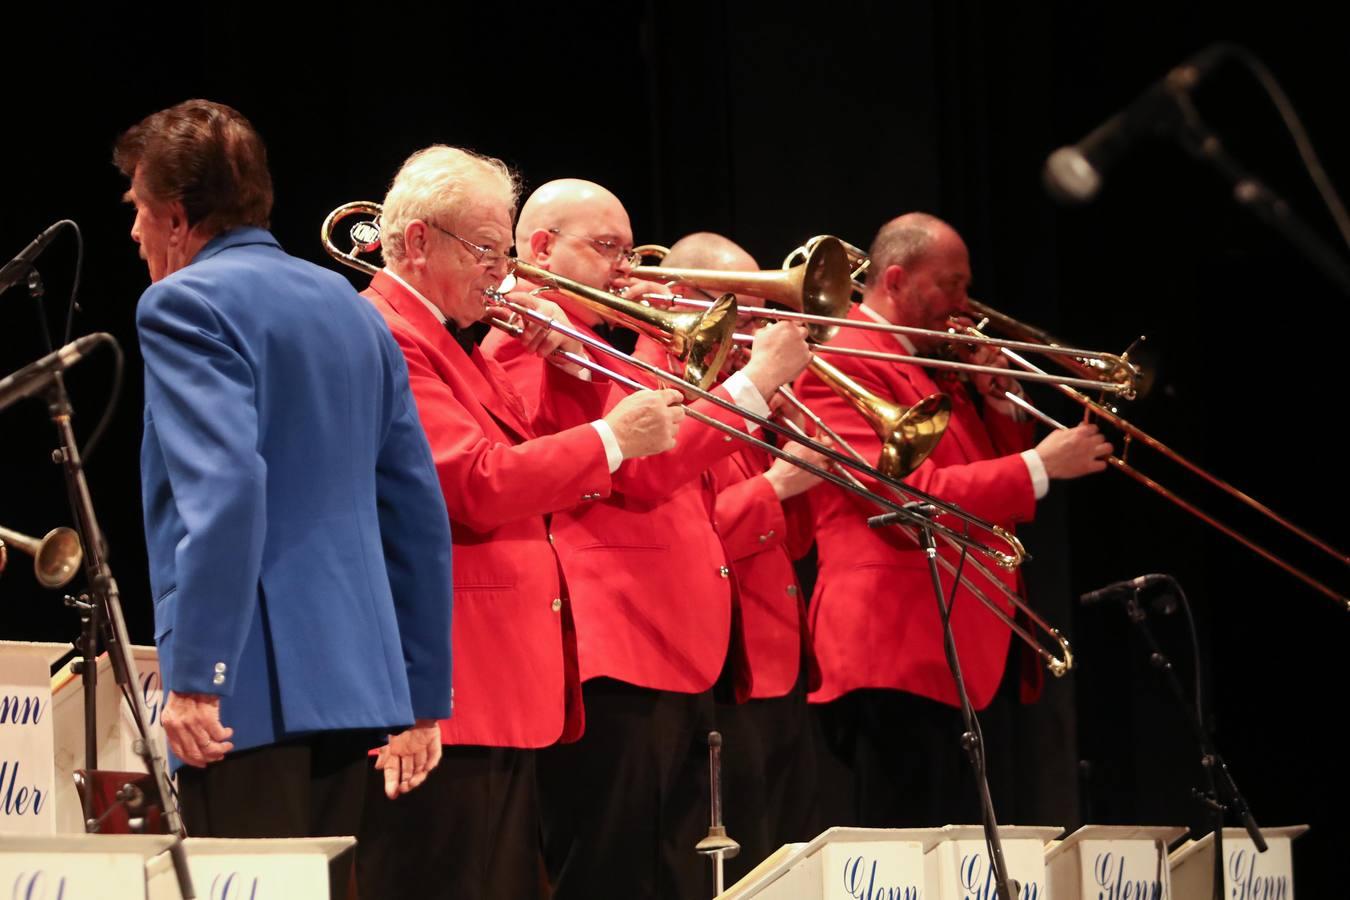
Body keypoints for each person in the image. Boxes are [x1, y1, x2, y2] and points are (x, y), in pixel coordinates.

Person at [119, 100, 453, 857]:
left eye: (138, 209)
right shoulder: (353, 306)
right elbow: (414, 506)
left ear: (177, 216)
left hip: (242, 689)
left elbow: (227, 491)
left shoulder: (181, 303)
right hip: (357, 688)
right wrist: (424, 696)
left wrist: (199, 674)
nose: (134, 232)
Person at [352, 146, 685, 900]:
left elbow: (532, 469)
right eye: (485, 252)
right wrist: (612, 438)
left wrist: (571, 364)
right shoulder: (393, 332)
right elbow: (476, 483)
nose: (501, 276)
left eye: (503, 254)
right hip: (455, 681)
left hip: (500, 681)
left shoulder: (459, 343)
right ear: (415, 243)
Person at [483, 180, 812, 900]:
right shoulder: (527, 337)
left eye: (629, 252)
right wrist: (754, 383)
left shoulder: (614, 340)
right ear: (541, 248)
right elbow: (644, 467)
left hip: (672, 644)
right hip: (616, 648)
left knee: (675, 873)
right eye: (606, 249)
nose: (627, 271)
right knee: (615, 872)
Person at [795, 212, 1113, 827]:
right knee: (902, 859)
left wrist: (993, 396)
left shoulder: (924, 360)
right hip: (892, 648)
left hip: (947, 648)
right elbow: (905, 498)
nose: (964, 304)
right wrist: (1038, 466)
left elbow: (970, 470)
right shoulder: (849, 356)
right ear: (894, 279)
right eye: (950, 285)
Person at [646, 232, 829, 881]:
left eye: (761, 307)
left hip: (781, 664)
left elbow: (795, 542)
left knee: (793, 865)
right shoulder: (677, 391)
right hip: (724, 667)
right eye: (742, 306)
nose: (756, 325)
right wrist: (778, 484)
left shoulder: (740, 396)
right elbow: (687, 538)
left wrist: (792, 446)